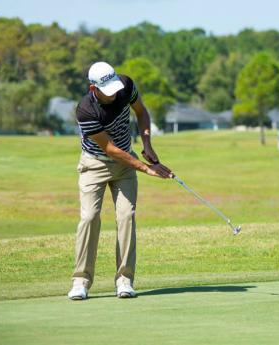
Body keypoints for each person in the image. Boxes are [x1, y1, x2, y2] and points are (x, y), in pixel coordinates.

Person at [68, 61, 172, 300]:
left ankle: (124, 280)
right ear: (93, 88)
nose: (114, 93)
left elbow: (141, 112)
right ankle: (80, 281)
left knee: (126, 216)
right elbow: (110, 149)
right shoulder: (86, 110)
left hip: (126, 165)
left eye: (114, 87)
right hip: (95, 163)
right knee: (89, 217)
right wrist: (146, 169)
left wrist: (146, 143)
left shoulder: (125, 86)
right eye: (107, 90)